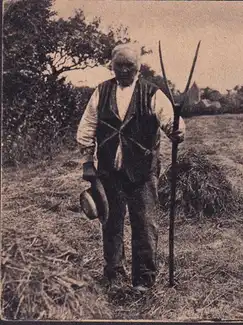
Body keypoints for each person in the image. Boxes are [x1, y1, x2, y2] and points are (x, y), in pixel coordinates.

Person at [76, 43, 185, 293]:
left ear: (139, 67)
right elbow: (87, 128)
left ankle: (143, 280)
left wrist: (177, 131)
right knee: (111, 223)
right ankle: (113, 272)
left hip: (142, 172)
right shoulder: (101, 92)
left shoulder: (152, 93)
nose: (124, 70)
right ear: (111, 65)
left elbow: (170, 121)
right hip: (108, 172)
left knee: (144, 224)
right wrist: (87, 163)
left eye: (130, 65)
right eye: (119, 65)